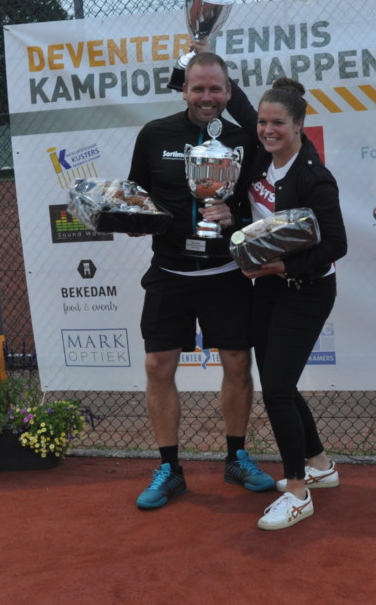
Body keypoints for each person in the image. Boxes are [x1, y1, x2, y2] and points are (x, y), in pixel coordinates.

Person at [126, 51, 275, 510]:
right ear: (184, 91)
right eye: (198, 88)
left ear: (229, 92)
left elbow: (260, 206)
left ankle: (236, 457)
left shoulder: (244, 139)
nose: (206, 97)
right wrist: (130, 218)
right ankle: (169, 467)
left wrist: (235, 216)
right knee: (158, 367)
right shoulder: (154, 135)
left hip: (225, 274)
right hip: (169, 272)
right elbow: (136, 196)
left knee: (237, 363)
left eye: (215, 89)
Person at [239, 78, 347, 530]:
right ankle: (320, 465)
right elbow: (240, 108)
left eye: (278, 123)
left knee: (278, 389)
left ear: (299, 125)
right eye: (263, 122)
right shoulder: (261, 159)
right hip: (268, 288)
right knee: (278, 383)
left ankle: (298, 492)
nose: (267, 130)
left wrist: (283, 267)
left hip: (306, 290)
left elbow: (336, 245)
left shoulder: (313, 176)